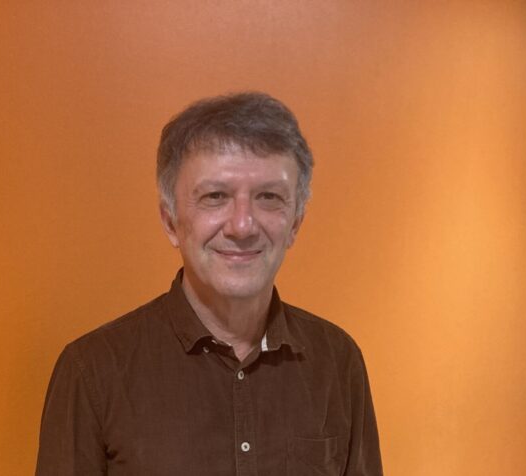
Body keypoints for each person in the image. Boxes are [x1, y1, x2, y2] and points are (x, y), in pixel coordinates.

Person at [35, 92, 382, 475]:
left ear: (295, 223)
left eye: (269, 197)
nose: (242, 226)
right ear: (170, 221)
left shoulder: (338, 362)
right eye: (215, 196)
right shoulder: (92, 372)